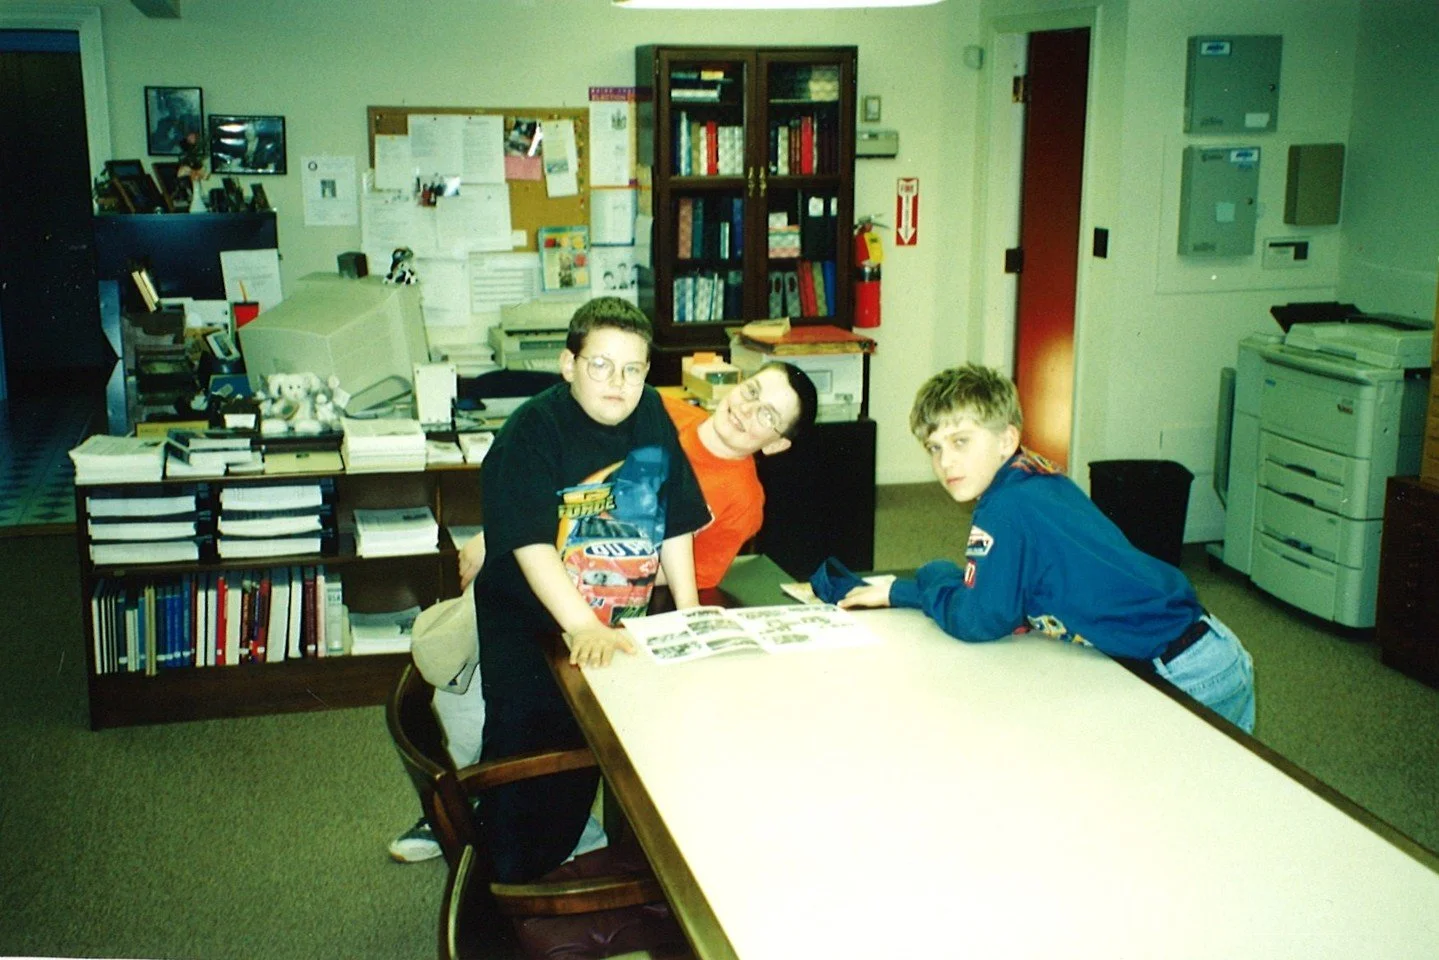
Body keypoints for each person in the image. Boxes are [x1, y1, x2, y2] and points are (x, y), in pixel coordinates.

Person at [389, 360, 819, 862]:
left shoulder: (743, 500)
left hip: (605, 603)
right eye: (752, 391)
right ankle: (457, 805)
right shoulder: (657, 409)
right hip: (532, 573)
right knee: (460, 690)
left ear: (776, 444)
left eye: (768, 415)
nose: (747, 410)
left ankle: (529, 819)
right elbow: (556, 473)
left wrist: (590, 556)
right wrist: (505, 533)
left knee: (541, 720)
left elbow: (689, 574)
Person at [402, 296, 712, 880]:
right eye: (601, 365)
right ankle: (504, 887)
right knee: (528, 761)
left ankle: (557, 855)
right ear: (569, 364)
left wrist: (690, 612)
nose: (618, 383)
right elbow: (530, 546)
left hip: (610, 624)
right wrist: (581, 625)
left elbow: (674, 519)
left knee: (586, 758)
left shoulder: (649, 411)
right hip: (533, 624)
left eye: (633, 369)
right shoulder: (533, 429)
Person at [838, 363, 1256, 732]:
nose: (945, 462)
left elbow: (977, 619)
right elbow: (1015, 592)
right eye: (935, 448)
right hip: (1207, 646)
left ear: (1006, 440)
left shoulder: (1004, 508)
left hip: (1183, 673)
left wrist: (919, 582)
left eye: (961, 441)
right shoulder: (1037, 475)